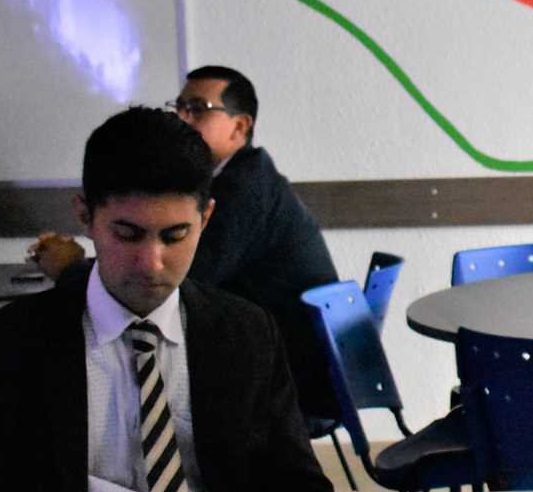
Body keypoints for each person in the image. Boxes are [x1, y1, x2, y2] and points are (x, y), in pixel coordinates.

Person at [0, 107, 332, 492]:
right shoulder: (9, 344)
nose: (151, 263)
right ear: (84, 216)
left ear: (206, 217)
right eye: (127, 235)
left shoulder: (244, 333)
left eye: (175, 236)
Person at [32, 65, 341, 419]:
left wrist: (71, 268)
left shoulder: (244, 189)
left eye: (197, 109)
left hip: (289, 377)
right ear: (85, 215)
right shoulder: (244, 177)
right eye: (178, 107)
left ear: (240, 127)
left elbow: (173, 287)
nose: (181, 117)